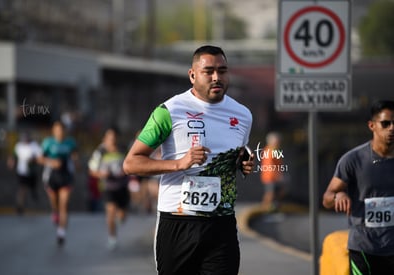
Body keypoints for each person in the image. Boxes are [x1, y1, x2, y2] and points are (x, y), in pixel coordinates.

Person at [123, 45, 255, 275]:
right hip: (178, 222)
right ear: (192, 75)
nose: (217, 77)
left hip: (221, 224)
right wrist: (178, 164)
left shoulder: (242, 114)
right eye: (209, 71)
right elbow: (131, 163)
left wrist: (243, 163)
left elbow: (233, 156)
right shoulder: (169, 111)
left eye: (222, 71)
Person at [322, 100, 394, 274]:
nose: (392, 128)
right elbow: (327, 197)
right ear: (372, 126)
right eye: (386, 123)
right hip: (364, 249)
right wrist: (338, 196)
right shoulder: (353, 160)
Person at [88, 126, 130, 250]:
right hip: (107, 187)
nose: (112, 140)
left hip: (122, 186)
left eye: (114, 137)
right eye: (109, 137)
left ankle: (120, 219)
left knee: (122, 216)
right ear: (105, 138)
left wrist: (125, 171)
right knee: (110, 212)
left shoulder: (123, 150)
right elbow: (91, 171)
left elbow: (131, 166)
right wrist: (102, 174)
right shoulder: (100, 152)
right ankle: (112, 238)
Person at [40, 121, 78, 246]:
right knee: (55, 202)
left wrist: (76, 160)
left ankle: (61, 232)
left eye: (61, 130)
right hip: (51, 176)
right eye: (57, 130)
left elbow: (75, 156)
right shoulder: (48, 143)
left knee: (64, 204)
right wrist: (52, 162)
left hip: (66, 175)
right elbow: (40, 158)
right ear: (53, 131)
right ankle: (55, 212)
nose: (59, 133)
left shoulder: (70, 143)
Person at [7, 131, 42, 215]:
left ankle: (34, 194)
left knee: (32, 187)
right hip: (22, 171)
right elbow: (14, 156)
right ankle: (20, 206)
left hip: (32, 171)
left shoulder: (34, 146)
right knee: (22, 189)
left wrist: (33, 160)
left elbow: (40, 157)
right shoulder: (18, 146)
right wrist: (11, 162)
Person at [260, 132, 286, 211]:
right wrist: (278, 175)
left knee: (279, 192)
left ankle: (275, 209)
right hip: (270, 177)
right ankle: (264, 210)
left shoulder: (275, 150)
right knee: (270, 194)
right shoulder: (270, 151)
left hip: (274, 177)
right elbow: (270, 165)